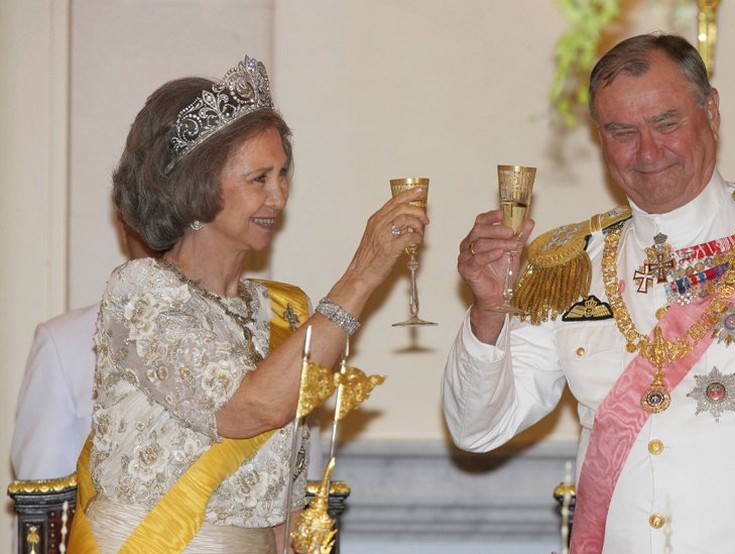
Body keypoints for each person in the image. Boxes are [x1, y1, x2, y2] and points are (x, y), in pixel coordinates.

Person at [444, 33, 735, 553]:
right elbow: (477, 429)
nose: (647, 151)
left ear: (711, 112)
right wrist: (489, 310)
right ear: (600, 137)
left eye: (666, 123)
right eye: (622, 131)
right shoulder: (573, 266)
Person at [68, 56, 428, 553]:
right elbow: (248, 409)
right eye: (259, 178)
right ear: (196, 186)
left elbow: (284, 493)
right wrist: (362, 275)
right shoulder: (142, 291)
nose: (278, 196)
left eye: (283, 175)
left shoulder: (278, 310)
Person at [10, 226, 158, 480]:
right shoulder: (64, 342)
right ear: (124, 222)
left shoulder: (231, 331)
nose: (165, 229)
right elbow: (42, 490)